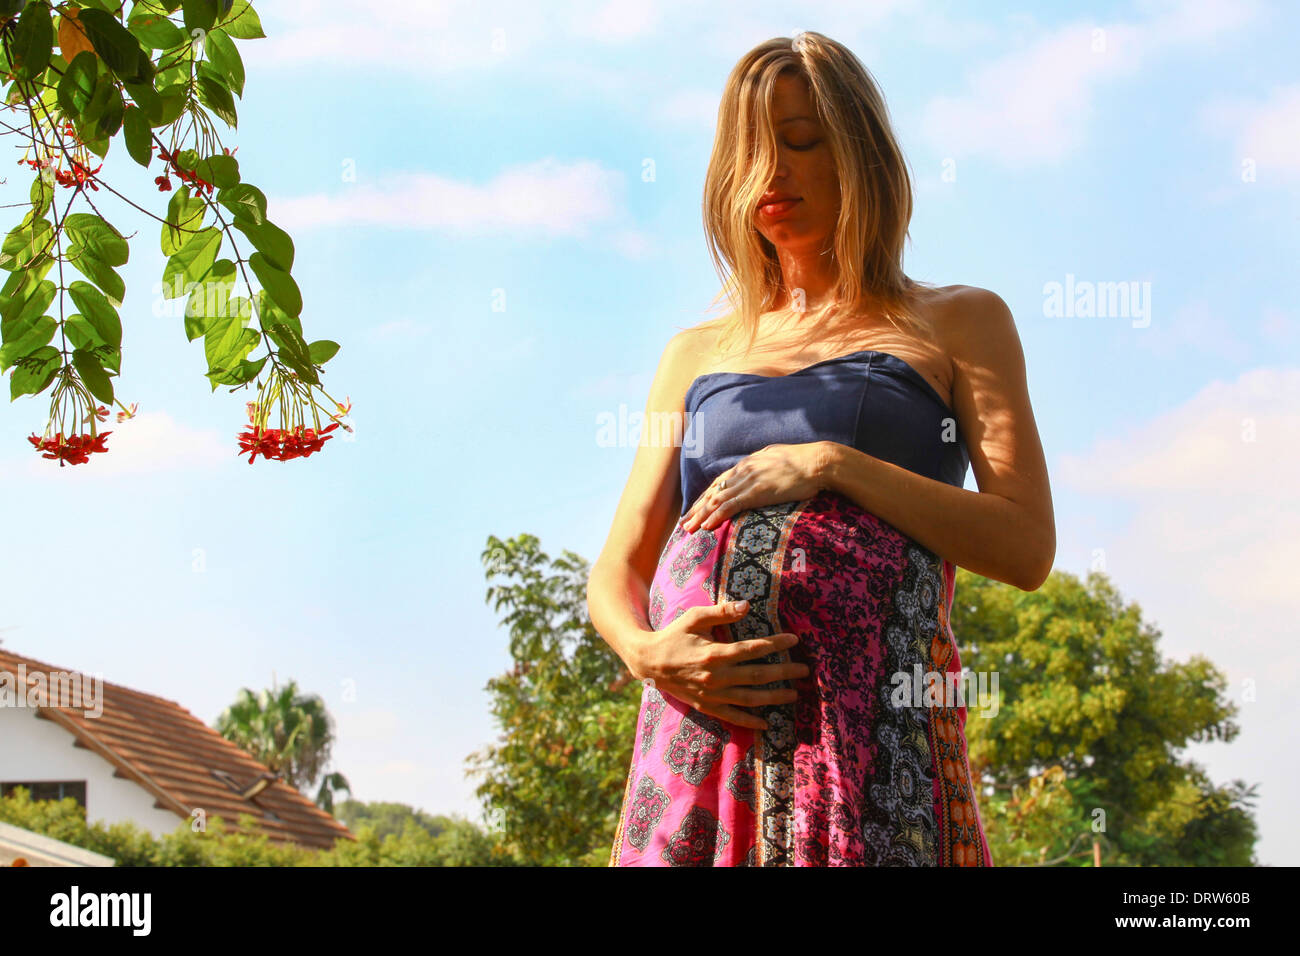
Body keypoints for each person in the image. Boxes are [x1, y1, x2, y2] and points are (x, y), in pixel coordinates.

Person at [586, 31, 1054, 866]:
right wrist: (650, 652)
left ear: (862, 156)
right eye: (754, 149)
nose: (773, 172)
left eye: (801, 142)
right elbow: (619, 565)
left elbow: (1024, 544)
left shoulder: (959, 320)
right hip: (701, 745)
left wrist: (835, 465)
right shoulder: (694, 352)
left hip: (871, 742)